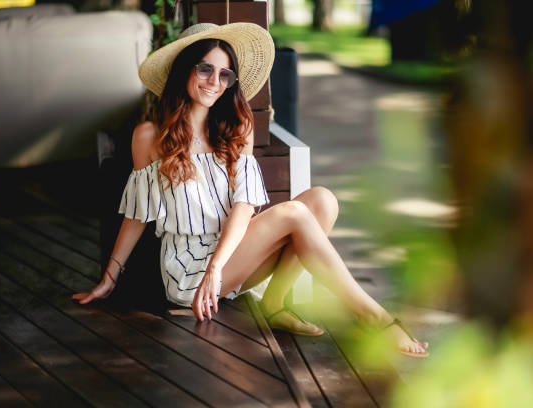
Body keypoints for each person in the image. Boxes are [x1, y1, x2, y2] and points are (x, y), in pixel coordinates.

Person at [72, 22, 429, 357]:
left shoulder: (236, 128)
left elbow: (244, 208)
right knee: (294, 212)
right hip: (188, 274)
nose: (214, 81)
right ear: (184, 71)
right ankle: (373, 317)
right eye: (204, 69)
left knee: (322, 200)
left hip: (227, 260)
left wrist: (219, 266)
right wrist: (109, 279)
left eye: (224, 74)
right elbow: (137, 214)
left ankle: (274, 303)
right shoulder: (149, 136)